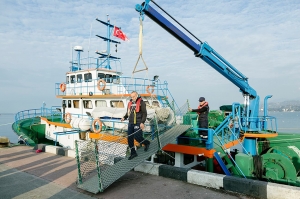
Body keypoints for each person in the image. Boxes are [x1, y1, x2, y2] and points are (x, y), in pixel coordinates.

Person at [121, 91, 150, 160]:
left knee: (137, 137)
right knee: (129, 138)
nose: (132, 98)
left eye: (134, 96)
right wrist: (124, 117)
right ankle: (133, 153)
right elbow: (128, 113)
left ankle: (146, 143)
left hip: (138, 122)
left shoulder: (141, 103)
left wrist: (142, 122)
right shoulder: (130, 103)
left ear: (137, 95)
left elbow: (144, 113)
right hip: (130, 123)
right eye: (131, 97)